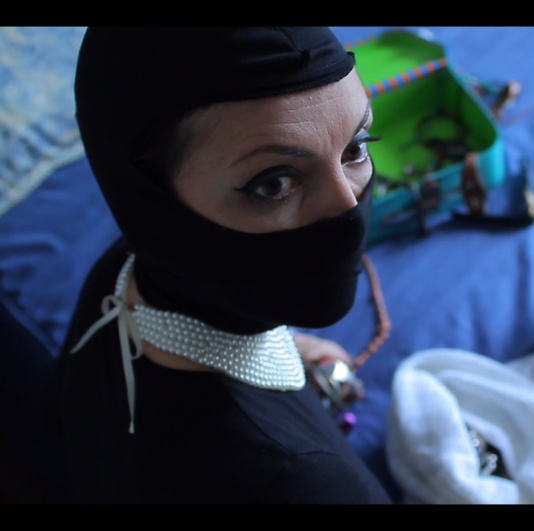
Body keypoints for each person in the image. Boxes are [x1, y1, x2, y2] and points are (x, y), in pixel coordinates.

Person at [46, 27, 392, 504]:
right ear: (152, 206)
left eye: (356, 147)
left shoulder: (124, 273)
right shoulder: (301, 482)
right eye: (273, 184)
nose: (347, 212)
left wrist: (281, 345)